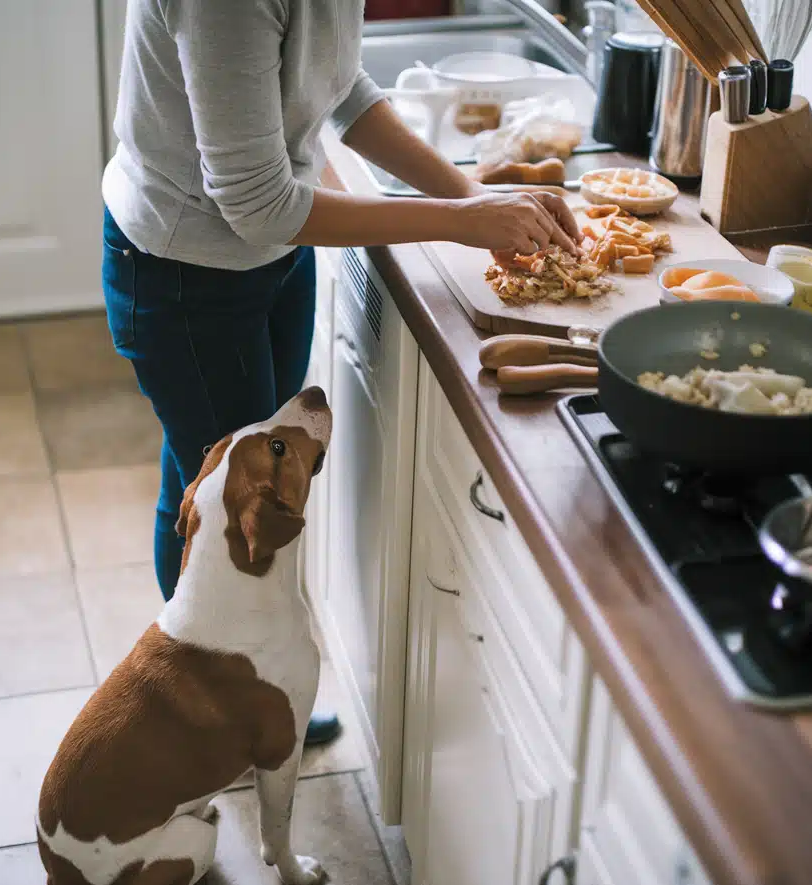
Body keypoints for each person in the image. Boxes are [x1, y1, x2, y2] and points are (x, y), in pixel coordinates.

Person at [101, 0, 581, 745]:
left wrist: (473, 195)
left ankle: (225, 688)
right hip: (185, 271)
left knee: (217, 470)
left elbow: (341, 87)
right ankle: (209, 714)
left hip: (274, 258)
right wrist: (458, 220)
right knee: (233, 499)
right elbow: (258, 203)